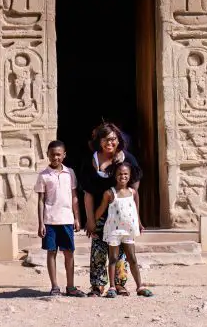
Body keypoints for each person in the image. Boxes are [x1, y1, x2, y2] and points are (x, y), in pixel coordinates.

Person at [80, 123, 140, 296]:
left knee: (121, 250)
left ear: (118, 139)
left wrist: (136, 215)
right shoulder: (91, 161)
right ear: (99, 141)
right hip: (101, 213)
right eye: (105, 139)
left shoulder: (127, 158)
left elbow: (135, 187)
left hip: (121, 214)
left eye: (113, 139)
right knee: (98, 247)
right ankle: (97, 285)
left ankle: (120, 284)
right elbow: (88, 193)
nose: (110, 143)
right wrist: (90, 219)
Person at [94, 162, 152, 298]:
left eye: (126, 174)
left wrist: (139, 223)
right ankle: (112, 287)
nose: (123, 176)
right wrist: (92, 223)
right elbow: (101, 210)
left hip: (128, 231)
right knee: (113, 258)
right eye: (120, 174)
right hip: (114, 231)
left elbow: (135, 209)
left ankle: (140, 286)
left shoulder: (133, 192)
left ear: (130, 176)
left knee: (132, 258)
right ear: (115, 175)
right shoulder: (110, 193)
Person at [34, 141, 84, 297]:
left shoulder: (70, 173)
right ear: (47, 155)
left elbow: (74, 196)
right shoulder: (43, 175)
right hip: (50, 220)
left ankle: (70, 286)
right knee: (51, 252)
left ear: (64, 155)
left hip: (67, 219)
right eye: (52, 154)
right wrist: (41, 223)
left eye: (58, 154)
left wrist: (77, 218)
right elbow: (41, 200)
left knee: (69, 253)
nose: (55, 157)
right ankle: (54, 286)